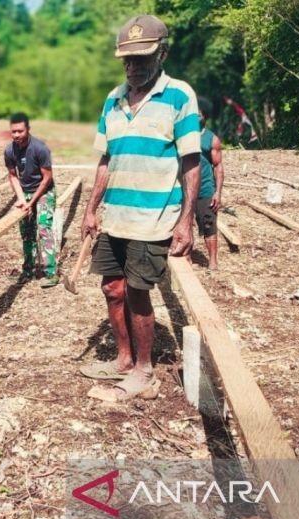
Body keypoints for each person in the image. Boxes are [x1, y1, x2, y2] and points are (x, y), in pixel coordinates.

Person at [79, 15, 201, 401]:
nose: (133, 68)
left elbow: (191, 162)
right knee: (111, 288)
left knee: (136, 291)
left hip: (152, 219)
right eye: (127, 61)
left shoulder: (179, 96)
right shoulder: (112, 100)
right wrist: (90, 209)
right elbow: (104, 160)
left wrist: (186, 221)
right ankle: (123, 358)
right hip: (114, 214)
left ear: (162, 53)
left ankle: (144, 369)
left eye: (142, 59)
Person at [4, 112, 59, 288]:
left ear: (28, 129)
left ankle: (50, 272)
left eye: (20, 131)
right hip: (26, 191)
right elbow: (13, 176)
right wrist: (22, 199)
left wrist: (31, 201)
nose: (17, 135)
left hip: (44, 191)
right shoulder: (9, 150)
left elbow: (47, 179)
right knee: (27, 233)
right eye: (14, 131)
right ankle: (27, 270)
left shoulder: (40, 148)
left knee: (43, 227)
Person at [196, 96, 224, 270]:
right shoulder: (181, 137)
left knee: (208, 224)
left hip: (205, 190)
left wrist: (218, 193)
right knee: (181, 225)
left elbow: (218, 167)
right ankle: (186, 256)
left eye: (198, 114)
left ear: (205, 116)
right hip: (182, 190)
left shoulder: (211, 139)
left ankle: (213, 260)